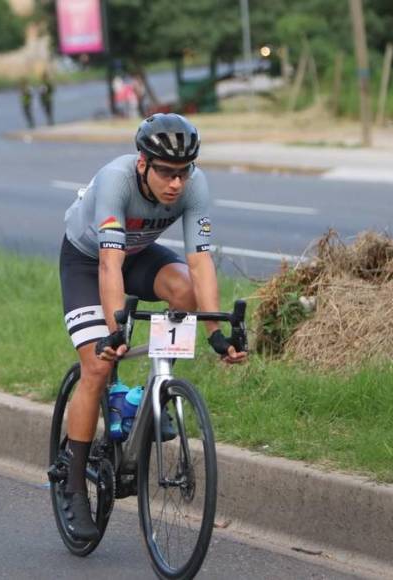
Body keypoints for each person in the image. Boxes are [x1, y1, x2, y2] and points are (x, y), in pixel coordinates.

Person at [57, 113, 247, 540]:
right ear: (143, 163)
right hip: (89, 262)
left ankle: (156, 393)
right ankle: (72, 484)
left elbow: (200, 261)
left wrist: (215, 332)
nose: (176, 184)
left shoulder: (195, 185)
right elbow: (109, 263)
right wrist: (114, 331)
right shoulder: (115, 180)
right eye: (166, 172)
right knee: (98, 367)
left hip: (140, 253)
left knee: (184, 292)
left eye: (183, 172)